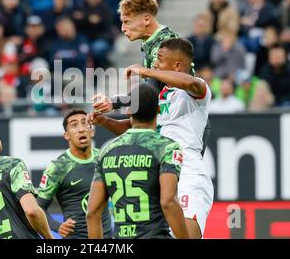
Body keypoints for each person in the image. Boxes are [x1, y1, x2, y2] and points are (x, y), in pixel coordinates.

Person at [90, 38, 214, 239]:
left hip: (187, 170)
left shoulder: (196, 89)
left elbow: (189, 82)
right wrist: (104, 121)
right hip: (160, 169)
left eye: (159, 59)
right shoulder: (161, 95)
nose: (155, 63)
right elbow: (135, 130)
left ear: (177, 65)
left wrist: (146, 71)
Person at [87, 83, 188, 239]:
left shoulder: (106, 151)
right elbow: (168, 202)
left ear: (129, 111)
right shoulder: (167, 147)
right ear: (158, 110)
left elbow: (92, 213)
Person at [37, 109, 113, 239]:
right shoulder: (58, 167)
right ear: (66, 135)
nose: (81, 129)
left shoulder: (104, 157)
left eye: (85, 123)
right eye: (74, 125)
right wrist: (57, 226)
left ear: (92, 131)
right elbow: (38, 207)